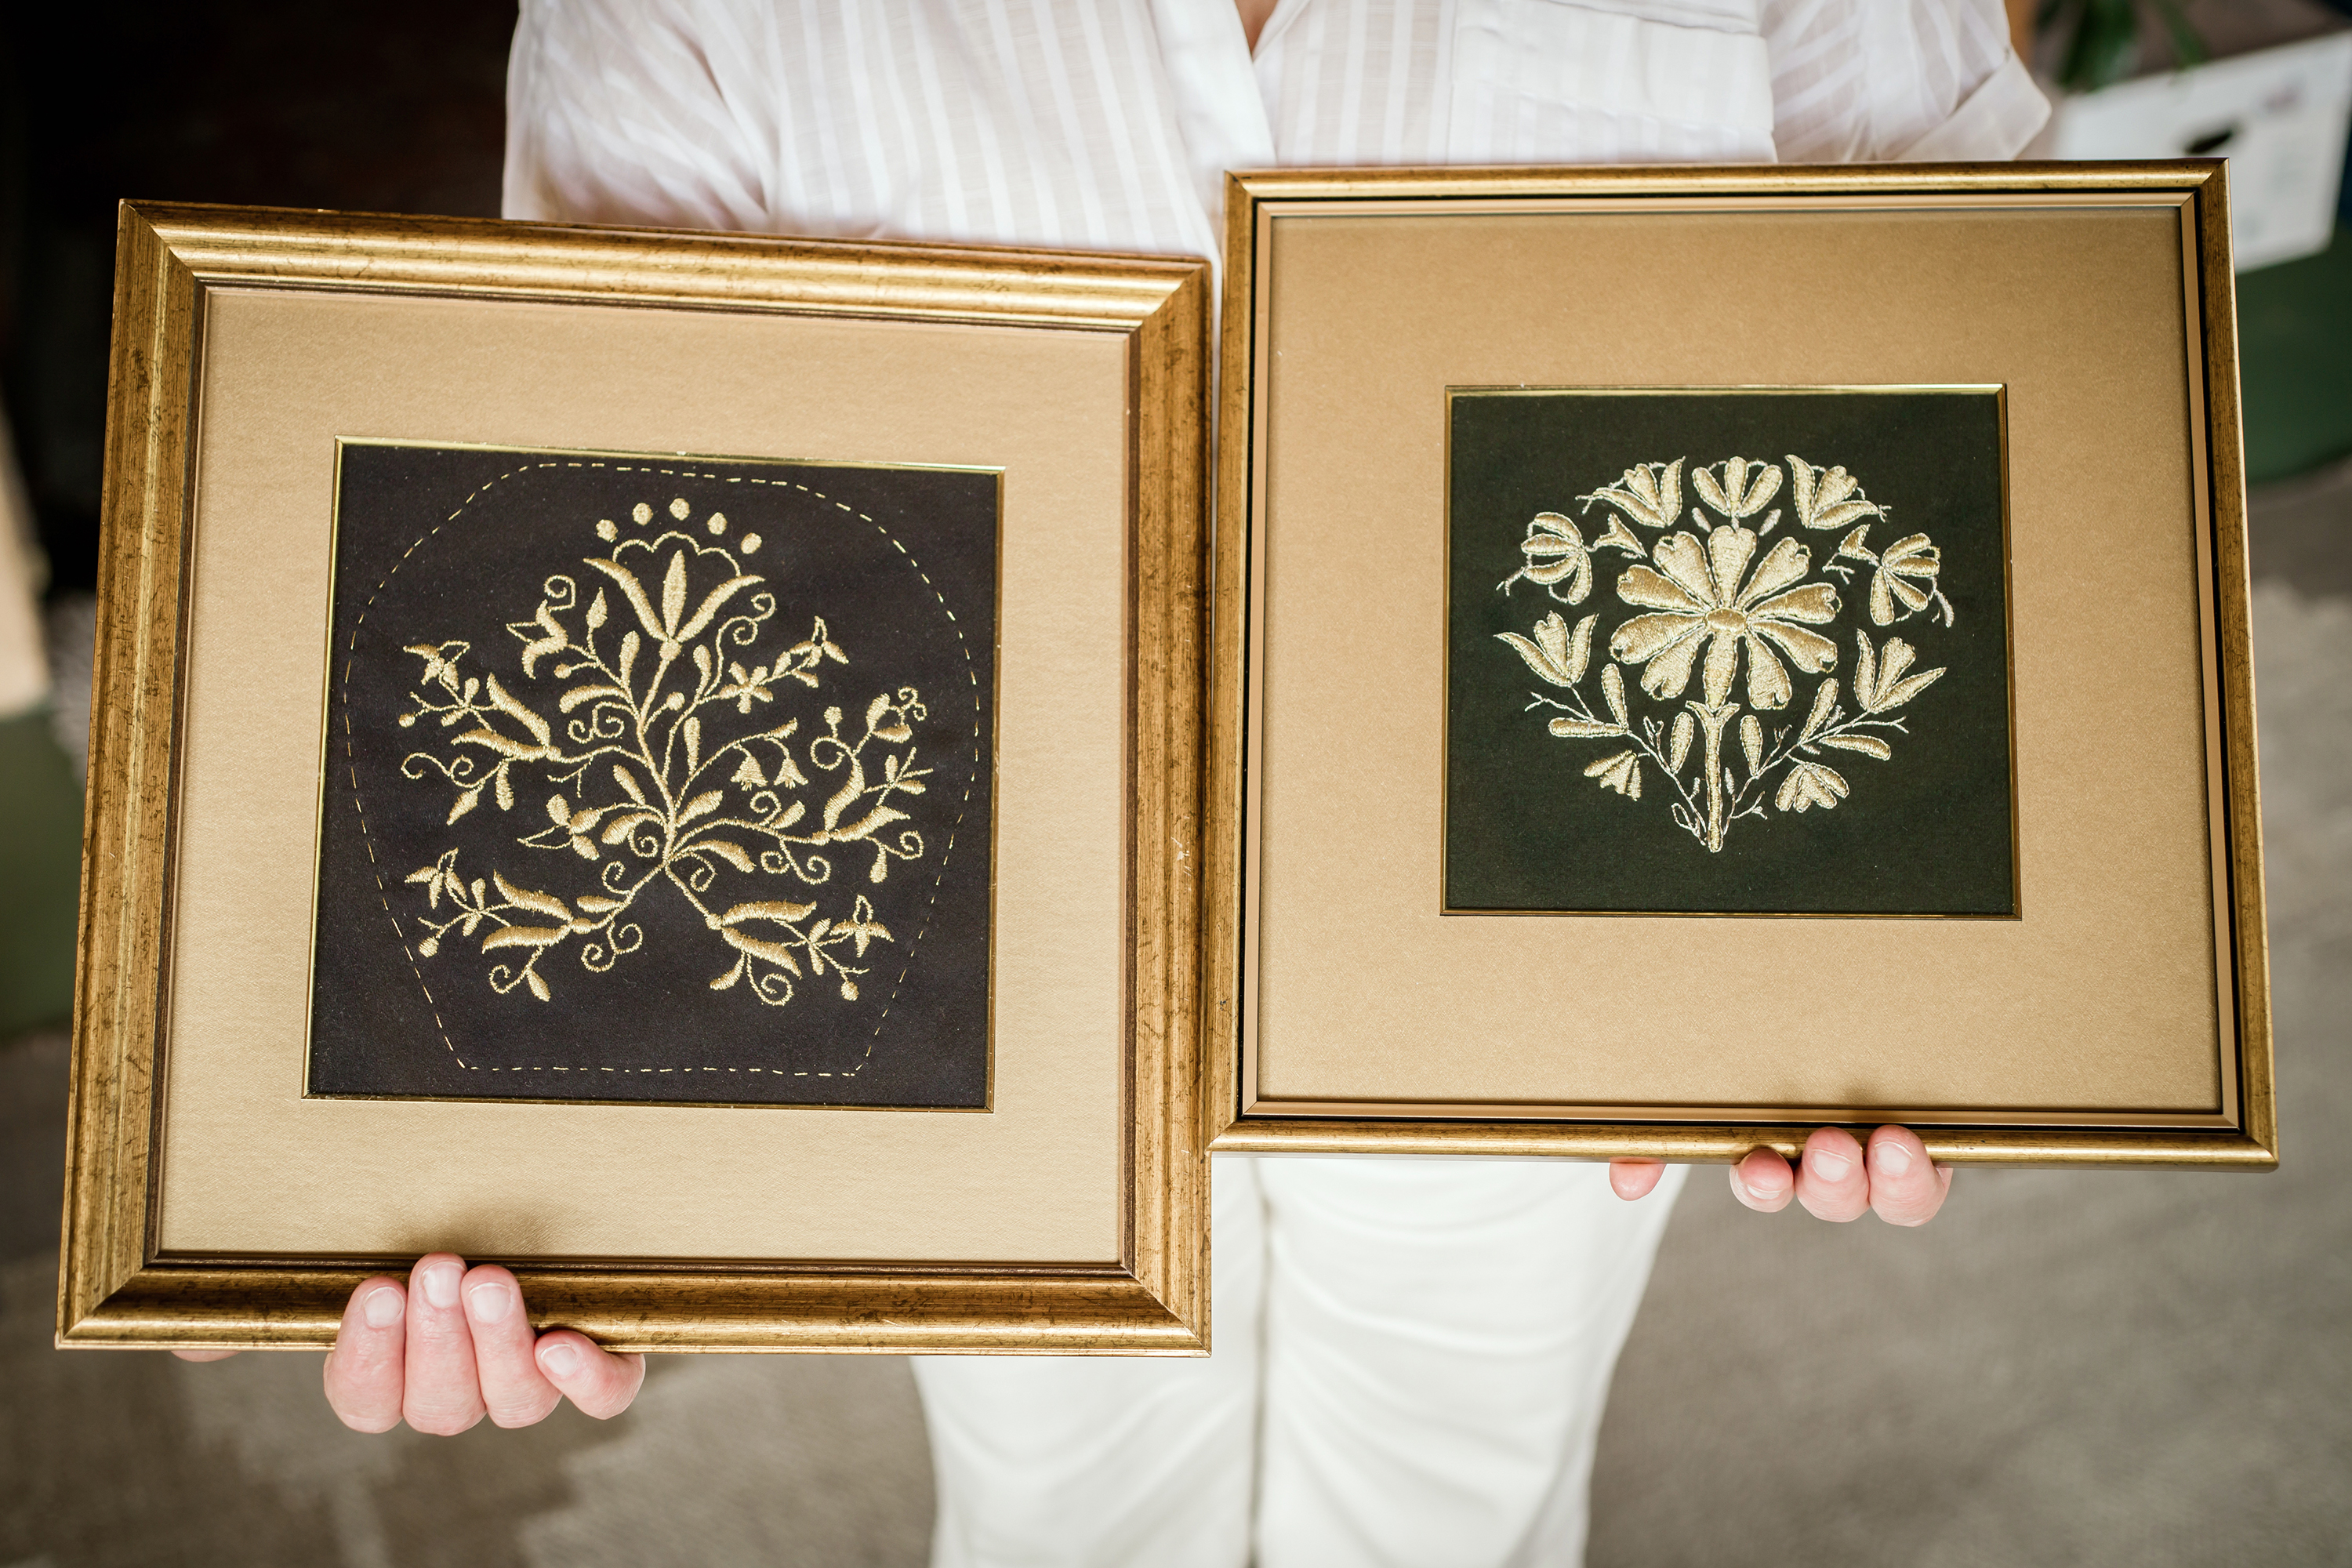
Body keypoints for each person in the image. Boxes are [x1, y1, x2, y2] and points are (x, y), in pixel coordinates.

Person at [185, 3, 2034, 1562]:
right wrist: (450, 1178)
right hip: (978, 1030)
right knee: (1060, 1513)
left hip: (1545, 983)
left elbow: (1964, 351)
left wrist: (1904, 977)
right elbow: (574, 542)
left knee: (1470, 1494)